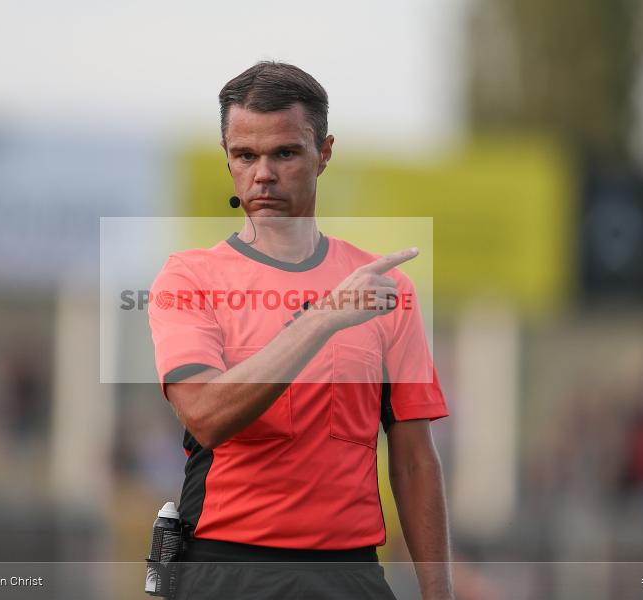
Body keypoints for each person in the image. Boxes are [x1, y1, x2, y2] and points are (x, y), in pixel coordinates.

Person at [148, 61, 453, 600]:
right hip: (226, 569)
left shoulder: (386, 288)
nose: (263, 174)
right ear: (228, 160)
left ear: (325, 153)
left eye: (285, 153)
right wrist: (323, 318)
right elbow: (204, 413)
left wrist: (439, 594)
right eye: (245, 156)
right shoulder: (189, 276)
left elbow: (413, 458)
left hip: (348, 573)